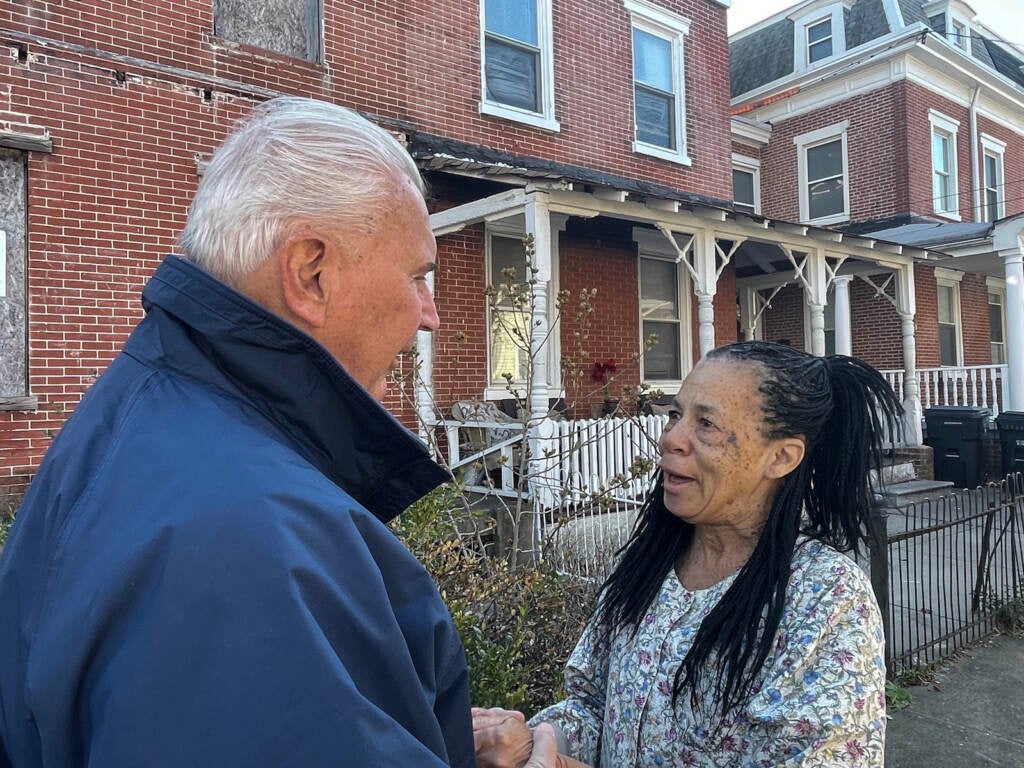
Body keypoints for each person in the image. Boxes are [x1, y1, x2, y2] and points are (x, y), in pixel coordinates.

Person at [0, 96, 556, 768]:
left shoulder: (148, 416)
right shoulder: (256, 541)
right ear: (310, 273)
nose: (429, 315)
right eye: (417, 276)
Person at [474, 341, 902, 768]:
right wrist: (536, 744)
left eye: (707, 424)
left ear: (781, 457)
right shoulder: (648, 564)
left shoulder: (823, 597)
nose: (671, 438)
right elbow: (592, 705)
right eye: (676, 415)